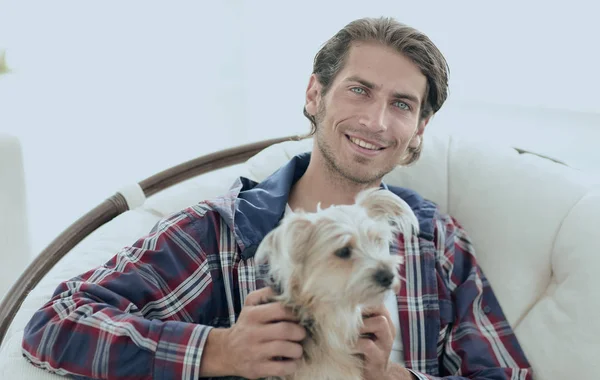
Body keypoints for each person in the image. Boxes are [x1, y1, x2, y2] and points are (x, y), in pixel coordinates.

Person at [21, 16, 532, 380]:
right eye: (359, 90)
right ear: (315, 94)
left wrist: (392, 379)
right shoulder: (219, 232)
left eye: (401, 104)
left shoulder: (433, 239)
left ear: (419, 129)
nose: (376, 121)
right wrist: (219, 350)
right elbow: (54, 323)